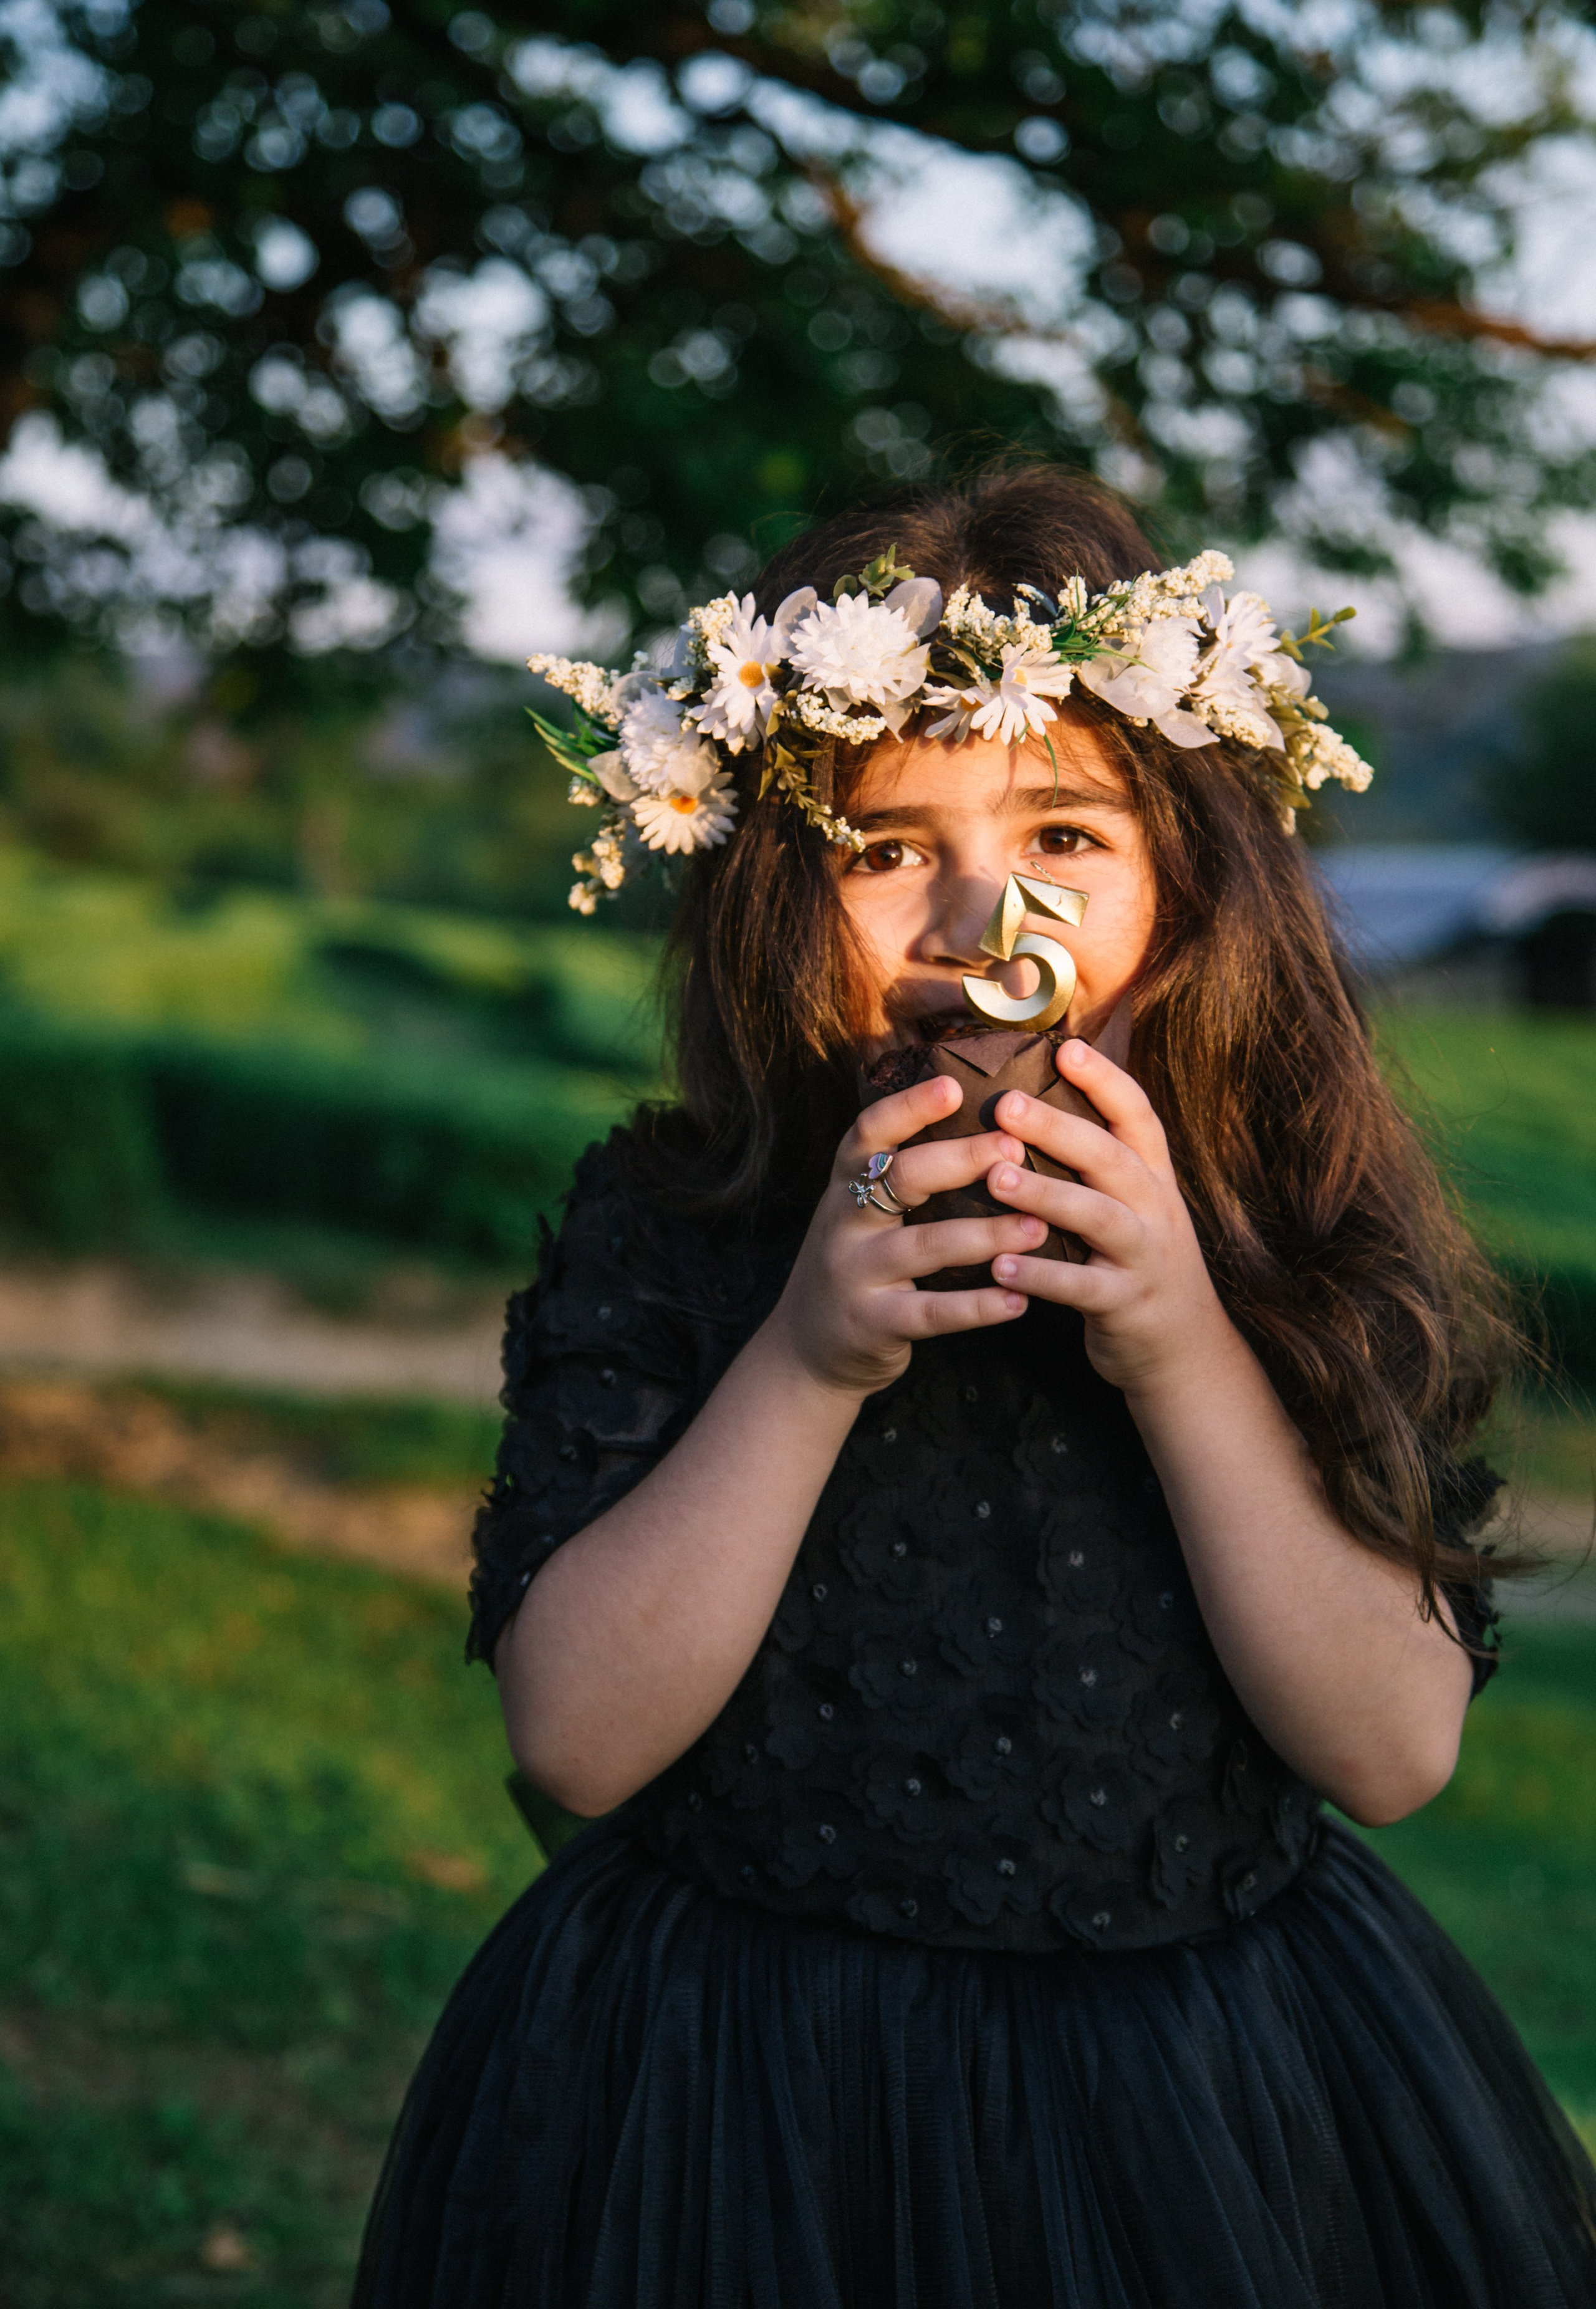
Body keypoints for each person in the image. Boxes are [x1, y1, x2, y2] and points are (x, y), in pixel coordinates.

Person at [355, 469, 1596, 2308]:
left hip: (1204, 2085)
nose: (973, 917)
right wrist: (806, 1354)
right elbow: (579, 1741)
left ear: (1195, 880)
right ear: (783, 891)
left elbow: (1392, 1750)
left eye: (1066, 834)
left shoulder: (1293, 1229)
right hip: (734, 2089)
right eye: (883, 850)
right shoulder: (684, 1225)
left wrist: (1180, 1338)